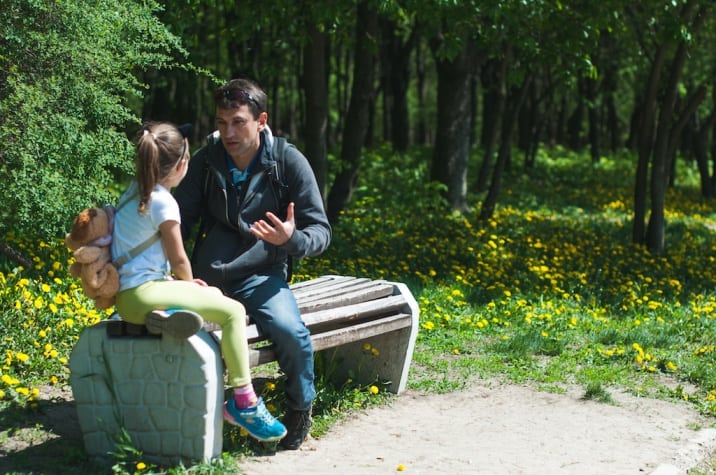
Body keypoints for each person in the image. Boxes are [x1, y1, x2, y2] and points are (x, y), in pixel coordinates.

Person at [174, 78, 331, 450]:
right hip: (208, 279)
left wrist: (290, 240)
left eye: (238, 122)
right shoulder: (207, 161)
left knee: (292, 334)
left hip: (262, 275)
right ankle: (169, 409)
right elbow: (177, 221)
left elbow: (321, 232)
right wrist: (175, 274)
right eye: (221, 122)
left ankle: (298, 409)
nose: (228, 131)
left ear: (261, 120)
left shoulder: (287, 161)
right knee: (159, 327)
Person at [111, 122, 287, 443]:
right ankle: (244, 403)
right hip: (147, 296)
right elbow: (178, 259)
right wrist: (188, 283)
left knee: (213, 293)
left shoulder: (131, 192)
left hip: (127, 300)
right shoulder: (164, 201)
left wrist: (188, 286)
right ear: (181, 165)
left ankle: (170, 313)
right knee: (232, 311)